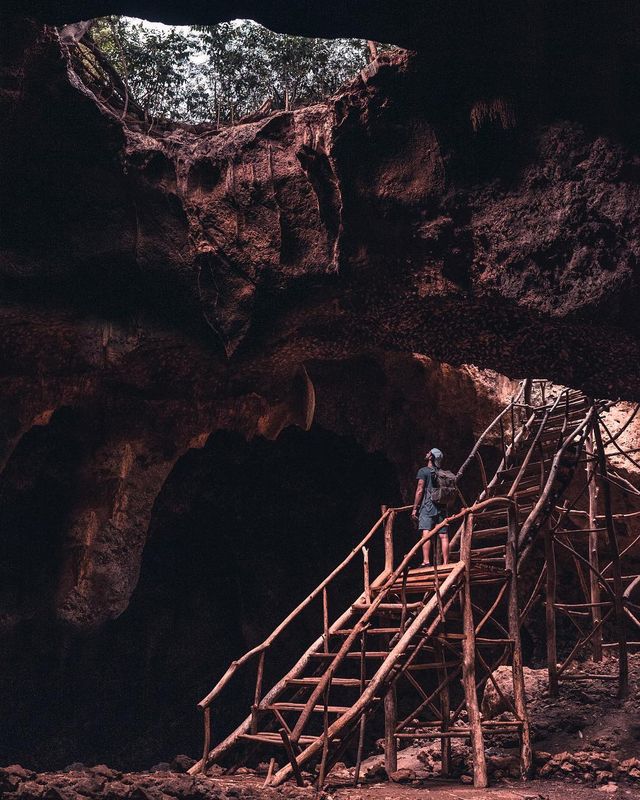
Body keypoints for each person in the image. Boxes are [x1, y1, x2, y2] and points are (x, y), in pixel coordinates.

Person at [411, 448, 449, 566]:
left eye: (428, 452)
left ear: (431, 457)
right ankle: (446, 563)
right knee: (443, 535)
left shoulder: (423, 471)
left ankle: (426, 561)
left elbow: (420, 489)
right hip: (442, 507)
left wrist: (415, 508)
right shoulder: (443, 473)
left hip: (428, 506)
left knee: (426, 534)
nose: (426, 453)